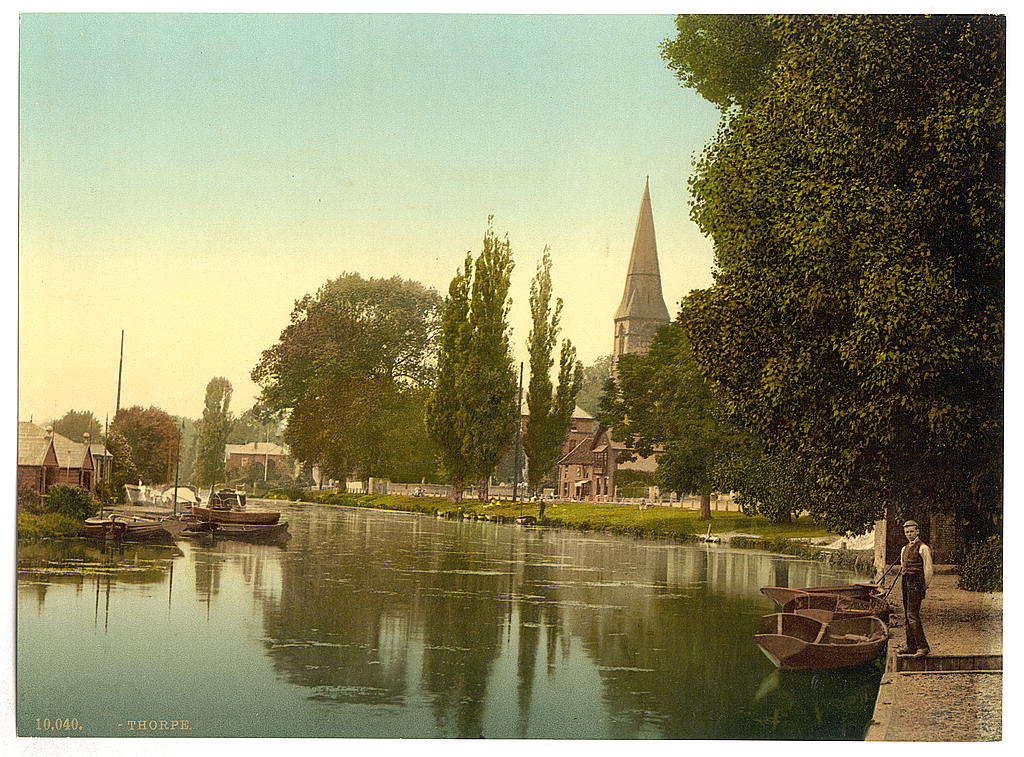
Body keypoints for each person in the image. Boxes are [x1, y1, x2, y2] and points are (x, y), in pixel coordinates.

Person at [898, 519, 933, 657]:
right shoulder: (904, 549)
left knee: (913, 615)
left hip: (916, 583)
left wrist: (924, 586)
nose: (909, 534)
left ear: (917, 531)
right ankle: (911, 646)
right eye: (906, 532)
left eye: (911, 531)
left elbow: (928, 569)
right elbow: (903, 565)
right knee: (907, 615)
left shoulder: (923, 548)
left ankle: (922, 647)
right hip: (906, 581)